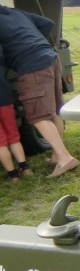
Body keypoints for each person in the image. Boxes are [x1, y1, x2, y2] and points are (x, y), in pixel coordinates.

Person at [0, 3, 79, 178]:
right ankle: (57, 155)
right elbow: (46, 23)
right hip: (50, 57)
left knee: (38, 116)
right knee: (53, 112)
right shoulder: (15, 11)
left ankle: (65, 158)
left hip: (31, 66)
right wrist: (36, 43)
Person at [0, 44, 33, 183]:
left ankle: (13, 175)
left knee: (1, 142)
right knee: (13, 136)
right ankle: (25, 168)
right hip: (5, 98)